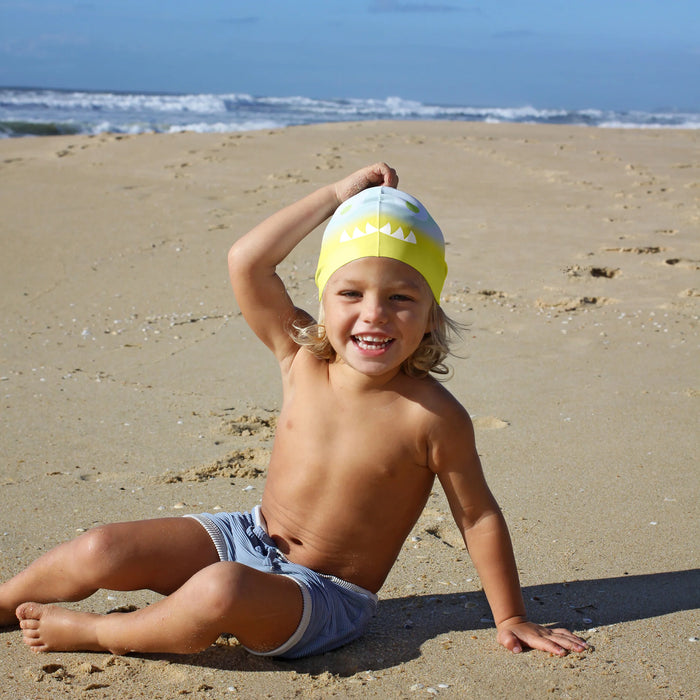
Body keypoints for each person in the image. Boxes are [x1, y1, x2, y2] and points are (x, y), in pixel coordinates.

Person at [0, 163, 587, 659]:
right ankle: (5, 602)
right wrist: (336, 197)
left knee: (219, 591)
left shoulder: (432, 417)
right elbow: (247, 262)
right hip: (247, 534)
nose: (374, 314)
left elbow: (477, 516)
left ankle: (101, 632)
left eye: (401, 298)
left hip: (326, 595)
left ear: (432, 313)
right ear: (324, 300)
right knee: (100, 549)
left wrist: (510, 616)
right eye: (350, 293)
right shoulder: (301, 356)